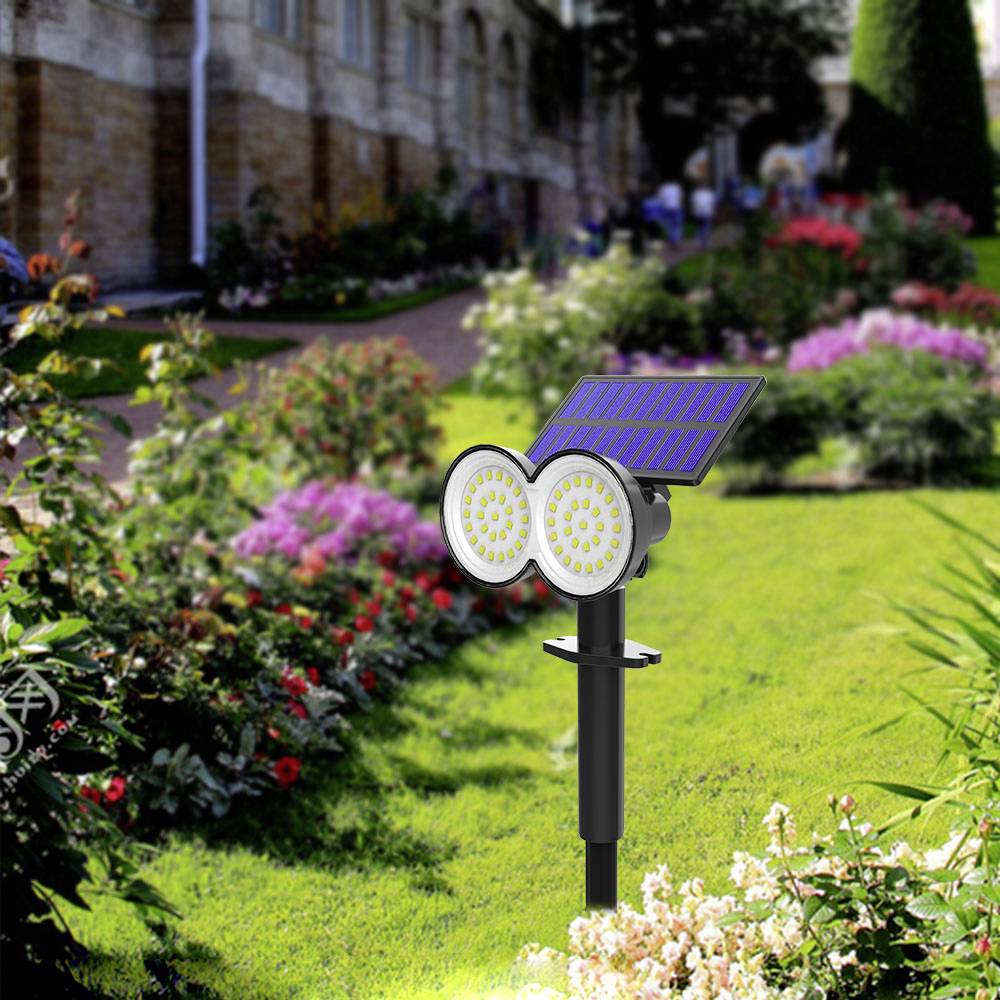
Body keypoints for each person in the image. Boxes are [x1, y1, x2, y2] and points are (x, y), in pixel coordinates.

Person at [657, 179, 684, 247]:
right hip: (676, 207)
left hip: (667, 208)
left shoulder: (663, 188)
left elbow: (660, 199)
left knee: (669, 225)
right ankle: (676, 240)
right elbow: (680, 198)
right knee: (677, 225)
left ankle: (672, 239)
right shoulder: (677, 187)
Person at [691, 184, 716, 249]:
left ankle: (699, 242)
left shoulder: (696, 193)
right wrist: (714, 212)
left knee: (699, 227)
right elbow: (713, 203)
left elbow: (694, 203)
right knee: (706, 227)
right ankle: (705, 242)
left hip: (698, 212)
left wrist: (694, 211)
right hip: (707, 212)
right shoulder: (710, 194)